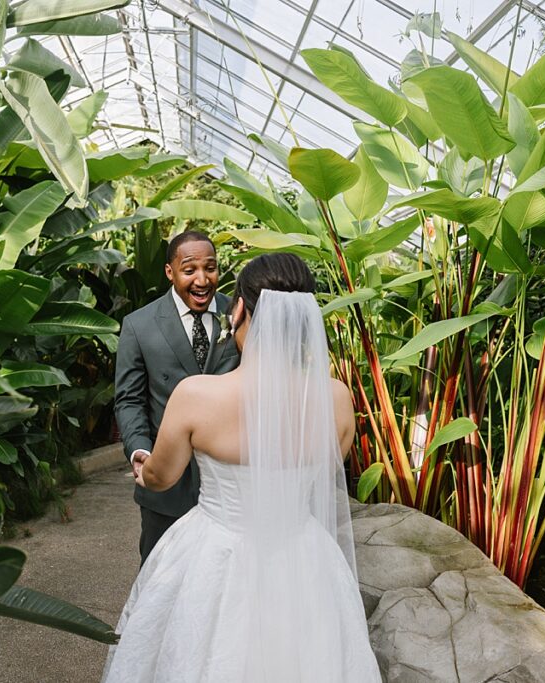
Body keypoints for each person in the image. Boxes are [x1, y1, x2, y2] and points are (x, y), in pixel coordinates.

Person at [102, 253, 381, 682]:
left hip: (215, 555)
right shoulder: (336, 399)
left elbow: (162, 476)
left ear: (238, 311)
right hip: (304, 557)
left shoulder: (197, 395)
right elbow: (326, 469)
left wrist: (142, 464)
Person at [114, 231, 240, 563]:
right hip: (167, 483)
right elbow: (129, 400)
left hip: (232, 483)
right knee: (160, 576)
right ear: (170, 272)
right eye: (190, 269)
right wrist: (141, 450)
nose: (202, 279)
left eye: (210, 268)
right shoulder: (138, 325)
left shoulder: (240, 316)